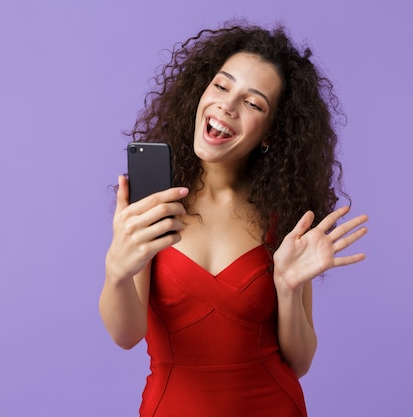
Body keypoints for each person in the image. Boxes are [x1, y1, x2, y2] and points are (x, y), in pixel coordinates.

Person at [100, 21, 369, 417]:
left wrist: (289, 287)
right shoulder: (153, 203)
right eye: (222, 86)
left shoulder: (284, 217)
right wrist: (117, 269)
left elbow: (300, 362)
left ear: (270, 134)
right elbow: (126, 336)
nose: (227, 105)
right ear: (201, 92)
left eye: (253, 103)